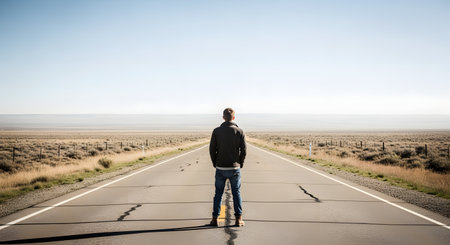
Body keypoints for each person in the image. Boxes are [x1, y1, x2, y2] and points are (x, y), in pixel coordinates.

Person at [209, 108, 246, 227]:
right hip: (234, 168)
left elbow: (211, 149)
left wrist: (215, 163)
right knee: (236, 193)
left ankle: (215, 219)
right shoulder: (239, 131)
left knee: (218, 194)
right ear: (234, 118)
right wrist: (240, 163)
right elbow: (244, 150)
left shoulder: (216, 131)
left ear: (223, 117)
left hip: (220, 168)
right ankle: (238, 219)